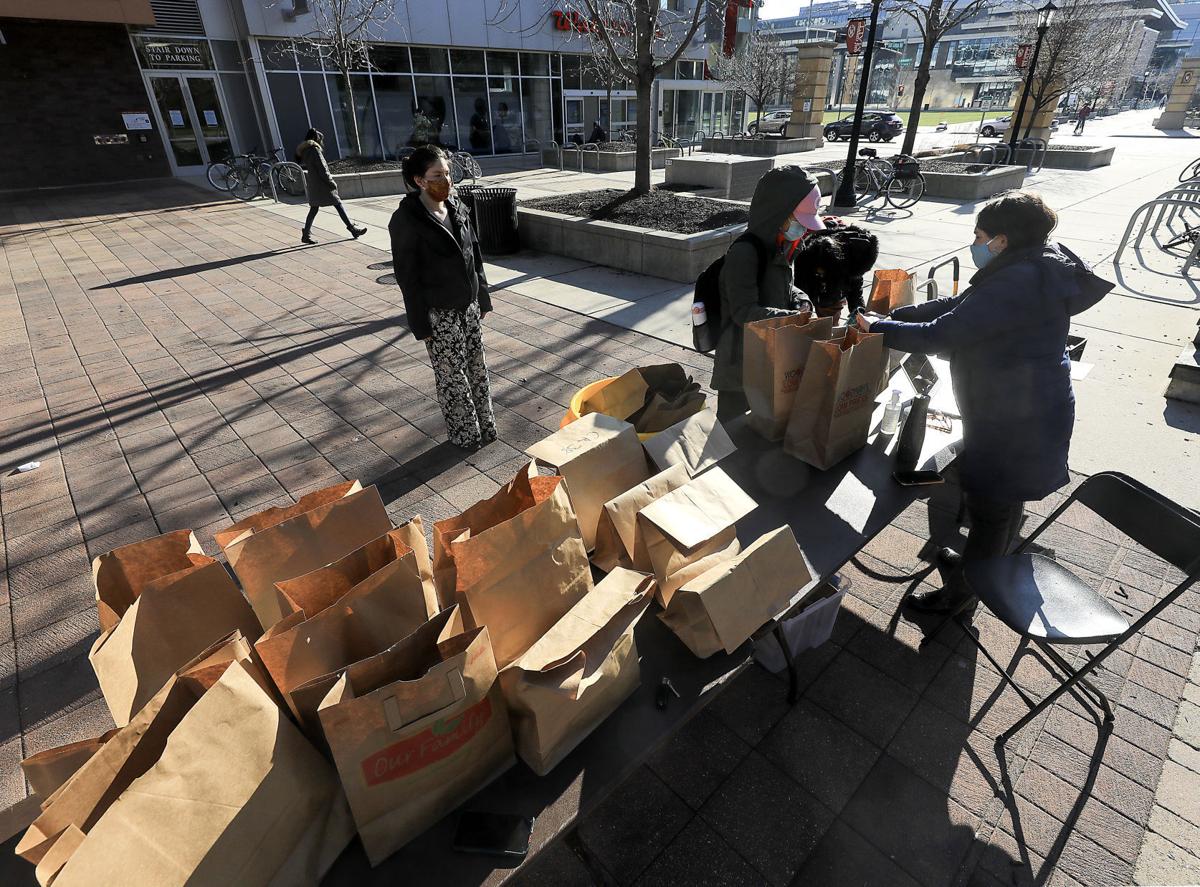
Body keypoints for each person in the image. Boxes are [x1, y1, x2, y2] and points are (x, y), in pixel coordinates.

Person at [857, 192, 1111, 612]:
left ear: (1001, 240)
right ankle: (976, 571)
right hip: (1021, 407)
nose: (974, 243)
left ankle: (961, 597)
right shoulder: (1032, 265)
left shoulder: (1019, 280)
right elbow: (958, 306)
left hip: (1016, 421)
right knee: (1000, 504)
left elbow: (943, 333)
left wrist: (877, 330)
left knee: (992, 509)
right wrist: (895, 317)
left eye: (979, 236)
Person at [388, 145, 497, 448]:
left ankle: (485, 426)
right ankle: (465, 434)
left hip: (469, 306)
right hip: (440, 313)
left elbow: (474, 255)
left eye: (447, 173)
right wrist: (419, 324)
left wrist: (483, 296)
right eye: (437, 175)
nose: (445, 180)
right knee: (452, 377)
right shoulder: (406, 220)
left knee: (477, 369)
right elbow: (407, 277)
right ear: (419, 180)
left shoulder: (458, 207)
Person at [712, 165, 823, 422]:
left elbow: (786, 286)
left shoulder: (783, 245)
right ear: (778, 212)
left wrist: (801, 301)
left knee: (762, 425)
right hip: (739, 363)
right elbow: (743, 312)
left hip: (769, 355)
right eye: (799, 221)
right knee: (731, 428)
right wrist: (792, 319)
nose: (804, 230)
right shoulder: (745, 252)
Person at [295, 128, 367, 244]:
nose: (321, 142)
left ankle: (306, 234)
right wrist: (331, 182)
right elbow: (323, 169)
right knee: (338, 204)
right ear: (316, 139)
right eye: (320, 139)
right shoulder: (315, 150)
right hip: (323, 184)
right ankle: (352, 229)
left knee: (315, 208)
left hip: (314, 184)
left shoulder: (305, 151)